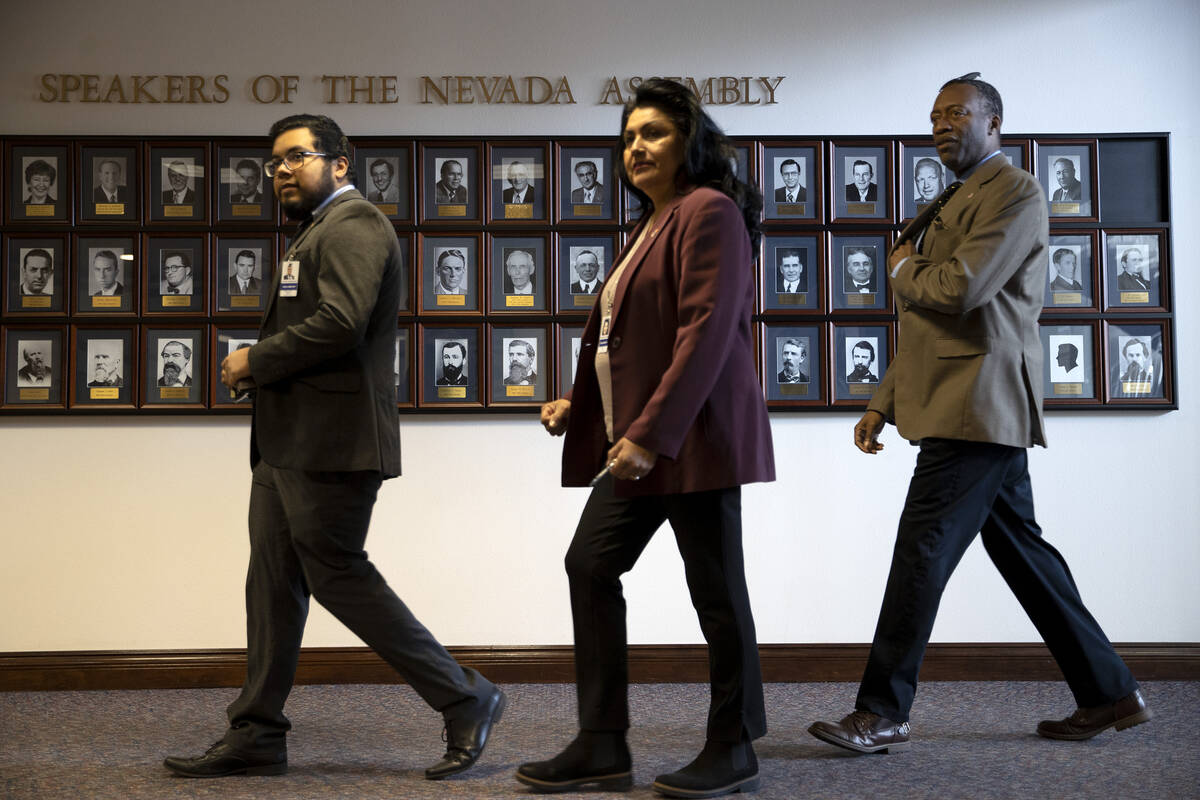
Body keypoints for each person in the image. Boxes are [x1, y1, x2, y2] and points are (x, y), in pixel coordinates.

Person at [808, 74, 1149, 757]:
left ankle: (882, 711)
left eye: (958, 112)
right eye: (935, 114)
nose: (942, 123)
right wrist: (882, 402)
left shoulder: (1015, 192)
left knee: (920, 553)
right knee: (1023, 553)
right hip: (964, 402)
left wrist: (902, 268)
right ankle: (1110, 693)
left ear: (994, 122)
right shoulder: (952, 199)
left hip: (975, 405)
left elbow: (958, 290)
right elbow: (928, 322)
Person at [164, 113, 504, 781]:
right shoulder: (316, 231)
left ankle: (467, 696)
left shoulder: (354, 226)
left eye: (296, 156)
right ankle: (257, 731)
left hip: (334, 444)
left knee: (338, 576)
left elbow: (341, 322)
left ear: (341, 163)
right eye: (275, 162)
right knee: (272, 583)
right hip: (288, 444)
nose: (282, 170)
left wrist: (255, 361)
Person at [519, 78, 774, 799]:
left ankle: (734, 744)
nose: (636, 147)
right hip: (643, 437)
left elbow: (704, 333)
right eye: (629, 136)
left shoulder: (710, 212)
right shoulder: (651, 226)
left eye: (654, 133)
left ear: (689, 141)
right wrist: (583, 402)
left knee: (716, 592)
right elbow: (627, 338)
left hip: (693, 436)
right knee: (590, 565)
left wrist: (651, 433)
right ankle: (603, 742)